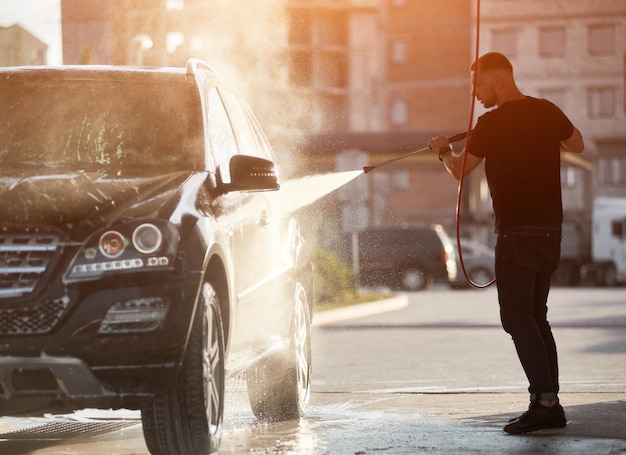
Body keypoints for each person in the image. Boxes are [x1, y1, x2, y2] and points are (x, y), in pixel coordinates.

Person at [429, 51, 584, 435]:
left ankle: (546, 402)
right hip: (550, 230)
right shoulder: (547, 110)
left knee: (517, 318)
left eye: (478, 86)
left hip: (517, 233)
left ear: (499, 80)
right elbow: (577, 143)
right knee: (535, 315)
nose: (476, 95)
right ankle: (548, 401)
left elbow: (461, 171)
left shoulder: (490, 123)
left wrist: (445, 151)